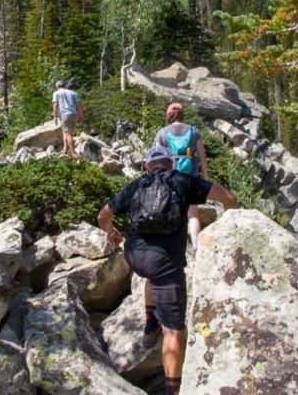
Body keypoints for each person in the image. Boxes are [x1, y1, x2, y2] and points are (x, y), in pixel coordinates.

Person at [97, 145, 237, 395]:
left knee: (152, 277)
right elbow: (228, 198)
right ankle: (174, 390)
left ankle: (150, 324)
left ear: (148, 166)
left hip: (135, 256)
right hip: (165, 262)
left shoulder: (136, 185)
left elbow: (102, 216)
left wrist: (112, 233)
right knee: (173, 331)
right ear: (170, 164)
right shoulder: (184, 181)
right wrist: (229, 229)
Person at [154, 102, 208, 254]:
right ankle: (196, 246)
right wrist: (205, 178)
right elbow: (203, 158)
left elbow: (156, 158)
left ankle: (171, 248)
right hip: (191, 175)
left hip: (170, 177)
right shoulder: (193, 131)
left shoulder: (162, 132)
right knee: (193, 215)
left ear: (169, 115)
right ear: (182, 114)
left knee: (170, 211)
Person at [51, 79, 84, 158]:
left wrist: (55, 117)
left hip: (65, 115)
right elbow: (79, 105)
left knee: (68, 133)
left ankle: (73, 153)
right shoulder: (73, 93)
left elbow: (55, 105)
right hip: (74, 114)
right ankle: (65, 149)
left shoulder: (56, 93)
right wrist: (81, 116)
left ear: (57, 87)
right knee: (66, 132)